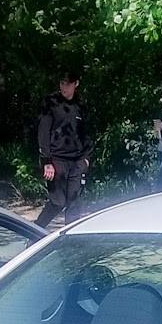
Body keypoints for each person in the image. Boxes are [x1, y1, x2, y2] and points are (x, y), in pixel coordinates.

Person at [35, 69, 94, 228]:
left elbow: (87, 134)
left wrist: (87, 159)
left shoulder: (80, 106)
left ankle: (71, 241)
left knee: (74, 203)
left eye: (68, 84)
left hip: (77, 161)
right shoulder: (51, 103)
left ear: (76, 84)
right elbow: (43, 132)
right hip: (56, 160)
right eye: (62, 83)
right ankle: (35, 231)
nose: (64, 88)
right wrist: (46, 161)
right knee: (58, 202)